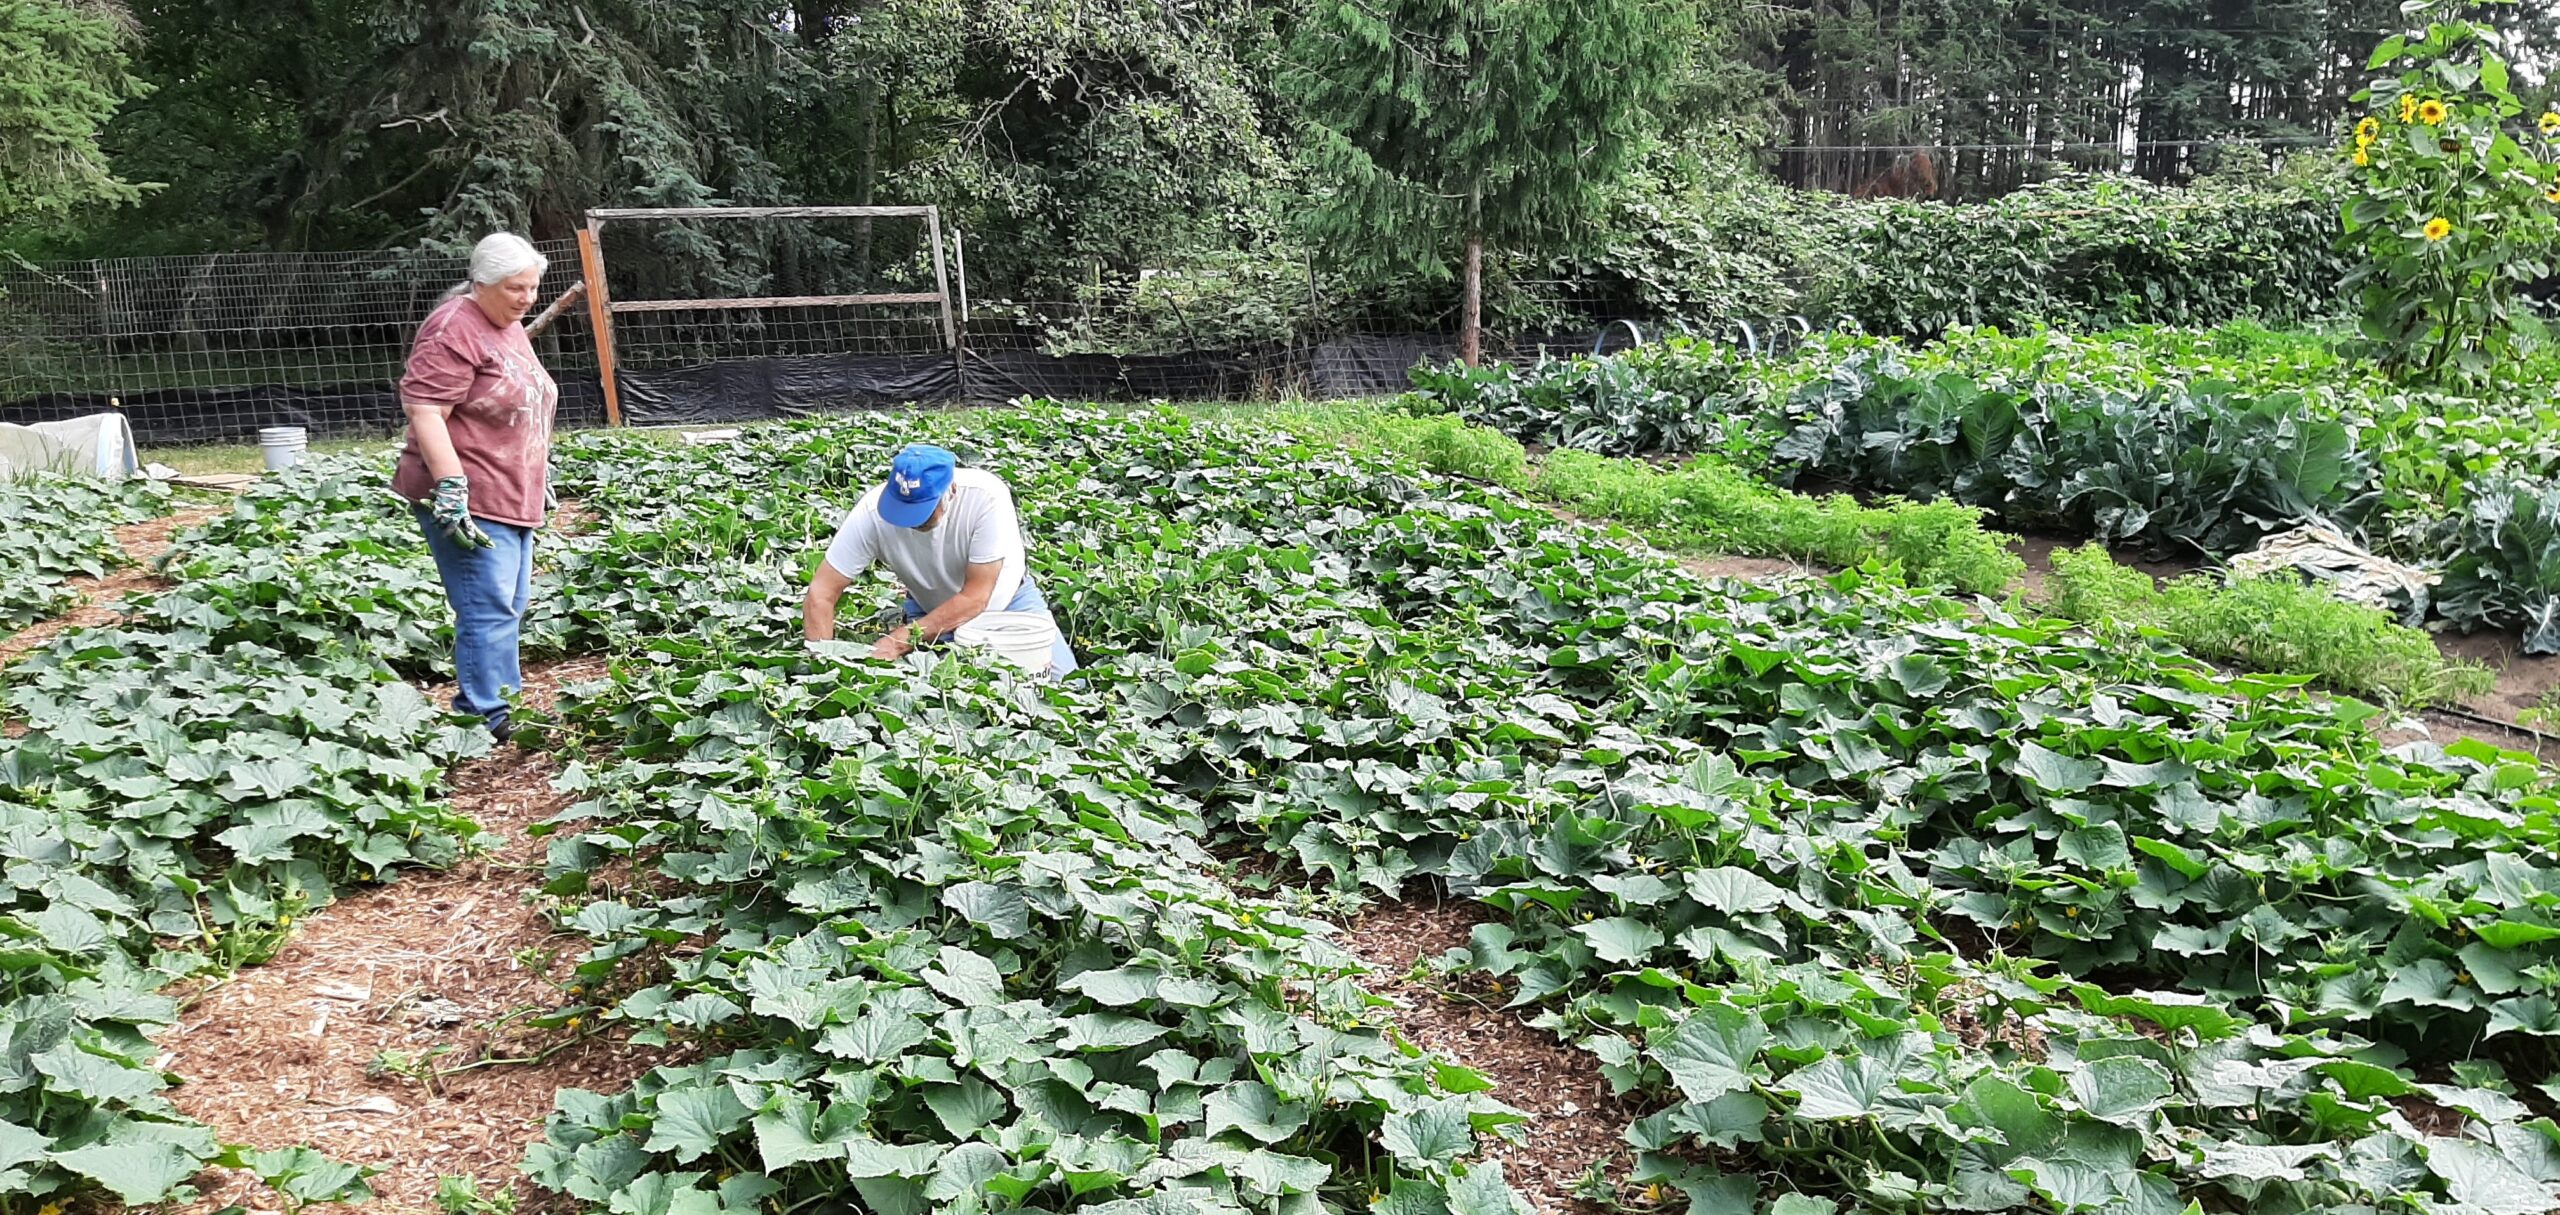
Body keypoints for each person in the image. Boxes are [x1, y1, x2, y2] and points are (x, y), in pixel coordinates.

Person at [391, 232, 560, 738]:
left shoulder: (506, 325)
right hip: (471, 492)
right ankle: (482, 717)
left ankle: (502, 704)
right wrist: (450, 487)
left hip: (511, 487)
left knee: (509, 604)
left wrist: (537, 466)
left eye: (532, 287)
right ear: (482, 283)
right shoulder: (452, 328)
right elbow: (426, 411)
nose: (527, 299)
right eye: (515, 288)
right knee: (486, 605)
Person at [803, 444, 1078, 676]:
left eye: (922, 510)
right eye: (902, 509)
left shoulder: (986, 497)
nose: (911, 521)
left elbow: (975, 598)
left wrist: (899, 640)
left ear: (951, 490)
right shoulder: (870, 513)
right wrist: (824, 668)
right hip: (929, 610)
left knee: (1065, 683)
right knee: (931, 696)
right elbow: (821, 593)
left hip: (1008, 604)